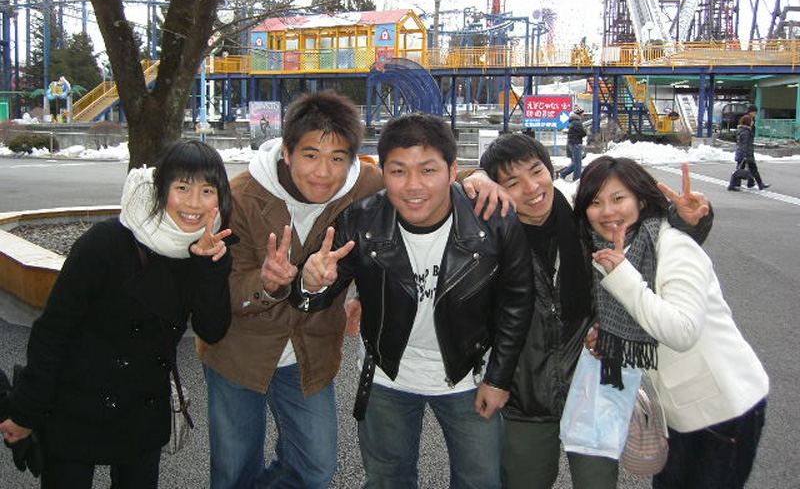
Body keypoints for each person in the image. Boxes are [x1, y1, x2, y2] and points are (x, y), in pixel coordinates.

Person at [197, 92, 509, 489]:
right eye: (310, 155)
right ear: (287, 153)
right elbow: (218, 291)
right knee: (234, 468)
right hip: (240, 351)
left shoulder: (362, 184)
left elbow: (418, 179)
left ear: (352, 160)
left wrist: (476, 178)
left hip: (309, 353)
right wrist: (267, 283)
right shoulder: (240, 197)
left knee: (315, 469)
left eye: (337, 158)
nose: (323, 172)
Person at [299, 113, 535, 488]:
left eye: (428, 170)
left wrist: (499, 379)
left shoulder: (493, 219)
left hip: (470, 376)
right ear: (383, 172)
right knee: (387, 480)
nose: (413, 186)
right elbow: (315, 295)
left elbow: (517, 302)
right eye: (398, 171)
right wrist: (310, 283)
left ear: (452, 170)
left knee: (480, 481)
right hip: (387, 374)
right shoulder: (361, 221)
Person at [479, 134, 712, 489]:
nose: (531, 188)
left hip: (595, 383)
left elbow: (645, 231)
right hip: (525, 393)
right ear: (497, 189)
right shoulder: (490, 235)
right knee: (523, 481)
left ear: (550, 169)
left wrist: (689, 222)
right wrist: (472, 176)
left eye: (537, 171)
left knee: (597, 483)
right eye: (512, 182)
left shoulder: (583, 217)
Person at [0, 139, 235, 489]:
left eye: (207, 190)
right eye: (182, 187)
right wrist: (26, 411)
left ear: (220, 199)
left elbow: (212, 330)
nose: (194, 203)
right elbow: (54, 331)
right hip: (75, 406)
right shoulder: (107, 242)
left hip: (141, 413)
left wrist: (210, 268)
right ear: (161, 190)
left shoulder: (203, 249)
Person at [578, 156, 769, 489]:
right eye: (595, 202)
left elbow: (682, 331)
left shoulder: (674, 246)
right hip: (679, 414)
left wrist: (622, 276)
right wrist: (608, 338)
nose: (607, 211)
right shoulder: (619, 250)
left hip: (723, 410)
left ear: (641, 200)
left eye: (618, 198)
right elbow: (643, 318)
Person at [728, 113, 769, 191]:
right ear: (748, 122)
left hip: (743, 153)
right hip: (746, 154)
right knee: (750, 169)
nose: (752, 122)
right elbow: (745, 144)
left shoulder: (742, 130)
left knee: (744, 169)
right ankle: (734, 185)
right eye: (751, 121)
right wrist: (745, 156)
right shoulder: (746, 132)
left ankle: (750, 184)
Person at [559, 107, 587, 181]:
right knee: (577, 163)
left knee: (577, 161)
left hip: (573, 143)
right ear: (579, 114)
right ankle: (576, 177)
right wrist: (585, 131)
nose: (583, 115)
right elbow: (583, 133)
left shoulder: (573, 122)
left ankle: (564, 173)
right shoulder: (577, 122)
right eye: (582, 114)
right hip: (576, 143)